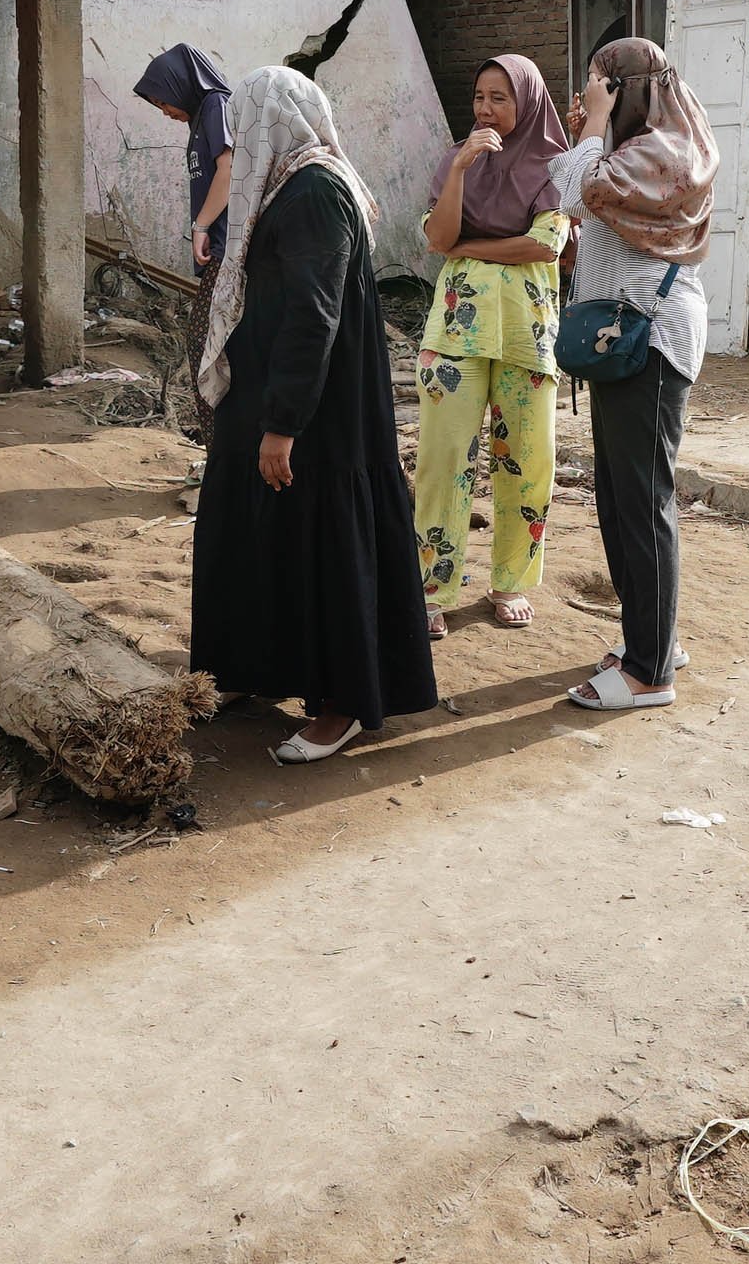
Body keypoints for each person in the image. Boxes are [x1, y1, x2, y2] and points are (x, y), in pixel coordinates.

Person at [188, 67, 435, 763]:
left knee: (324, 547)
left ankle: (344, 702)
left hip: (319, 415)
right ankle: (243, 669)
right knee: (249, 530)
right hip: (269, 395)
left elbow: (314, 317)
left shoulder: (316, 191)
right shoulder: (290, 185)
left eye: (247, 121)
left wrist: (283, 424)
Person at [553, 37, 717, 713]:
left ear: (626, 90)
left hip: (649, 342)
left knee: (642, 505)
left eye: (598, 84)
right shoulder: (638, 153)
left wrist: (592, 126)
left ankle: (651, 672)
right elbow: (576, 192)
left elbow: (573, 193)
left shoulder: (661, 153)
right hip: (625, 334)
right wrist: (590, 130)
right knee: (621, 501)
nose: (589, 96)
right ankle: (650, 638)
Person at [411, 53, 571, 637]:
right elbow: (438, 237)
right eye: (479, 96)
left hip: (526, 337)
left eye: (499, 97)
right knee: (443, 462)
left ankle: (511, 583)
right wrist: (459, 169)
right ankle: (432, 588)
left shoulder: (554, 164)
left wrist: (469, 250)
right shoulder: (457, 158)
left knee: (527, 462)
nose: (486, 108)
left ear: (525, 99)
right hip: (454, 334)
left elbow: (545, 245)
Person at [133, 44, 237, 270]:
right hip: (218, 244)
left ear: (179, 85)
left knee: (212, 306)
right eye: (157, 105)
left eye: (163, 101)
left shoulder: (215, 104)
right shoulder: (200, 118)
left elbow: (228, 170)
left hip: (227, 246)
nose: (165, 111)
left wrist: (200, 227)